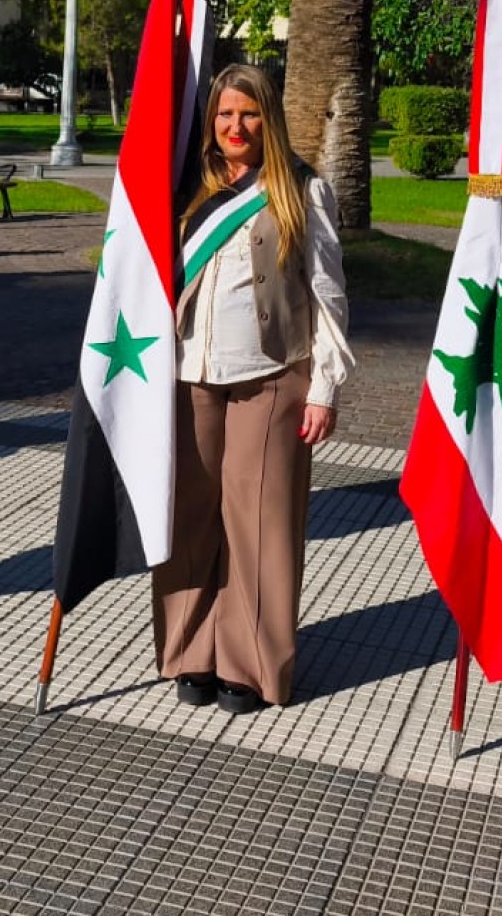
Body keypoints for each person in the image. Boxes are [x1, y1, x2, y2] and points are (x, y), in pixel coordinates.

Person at [156, 63, 352, 714]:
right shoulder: (188, 187)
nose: (235, 126)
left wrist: (324, 387)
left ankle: (249, 663)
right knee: (189, 516)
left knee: (260, 522)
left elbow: (328, 293)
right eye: (224, 113)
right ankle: (191, 650)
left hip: (271, 375)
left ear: (270, 119)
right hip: (188, 374)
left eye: (249, 114)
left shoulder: (302, 190)